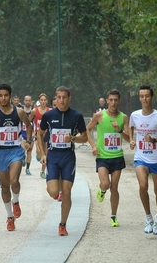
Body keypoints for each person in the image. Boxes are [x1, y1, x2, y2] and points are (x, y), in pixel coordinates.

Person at [37, 86, 87, 236]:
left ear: (69, 98)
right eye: (59, 97)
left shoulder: (76, 116)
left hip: (68, 157)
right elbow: (40, 134)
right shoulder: (49, 115)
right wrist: (42, 153)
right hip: (52, 157)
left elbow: (84, 136)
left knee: (66, 192)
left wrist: (72, 138)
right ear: (56, 98)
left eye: (64, 97)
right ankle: (56, 182)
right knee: (53, 192)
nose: (61, 100)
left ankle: (62, 224)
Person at [0, 84, 33, 231]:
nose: (3, 98)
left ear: (10, 96)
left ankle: (16, 201)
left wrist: (29, 141)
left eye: (6, 95)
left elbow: (29, 126)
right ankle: (9, 217)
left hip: (16, 151)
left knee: (14, 180)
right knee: (5, 187)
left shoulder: (19, 112)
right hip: (1, 153)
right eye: (0, 95)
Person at [129, 85, 157, 235]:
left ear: (152, 97)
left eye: (147, 96)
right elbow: (131, 127)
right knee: (143, 185)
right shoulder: (134, 115)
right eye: (142, 96)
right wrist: (131, 140)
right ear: (139, 98)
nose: (144, 99)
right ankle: (148, 218)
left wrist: (154, 140)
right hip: (141, 158)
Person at [86, 89, 130, 227]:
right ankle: (102, 189)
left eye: (116, 100)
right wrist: (93, 145)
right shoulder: (99, 116)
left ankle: (113, 216)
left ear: (119, 101)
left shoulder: (123, 117)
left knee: (114, 187)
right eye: (111, 100)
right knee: (106, 184)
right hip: (102, 157)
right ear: (107, 100)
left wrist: (119, 130)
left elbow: (129, 138)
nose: (113, 102)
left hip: (117, 156)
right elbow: (87, 129)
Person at [29, 93, 50, 179]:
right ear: (39, 101)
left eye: (45, 100)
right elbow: (28, 122)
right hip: (38, 134)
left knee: (45, 153)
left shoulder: (50, 111)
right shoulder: (34, 111)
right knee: (39, 150)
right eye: (41, 100)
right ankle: (38, 153)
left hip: (46, 134)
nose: (43, 101)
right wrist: (32, 132)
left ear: (47, 101)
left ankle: (42, 171)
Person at [21, 95, 34, 175]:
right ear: (24, 101)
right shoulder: (20, 111)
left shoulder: (33, 112)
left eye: (29, 100)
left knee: (29, 151)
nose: (28, 102)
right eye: (26, 100)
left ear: (31, 102)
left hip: (31, 134)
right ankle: (23, 157)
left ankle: (28, 168)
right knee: (22, 149)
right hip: (22, 133)